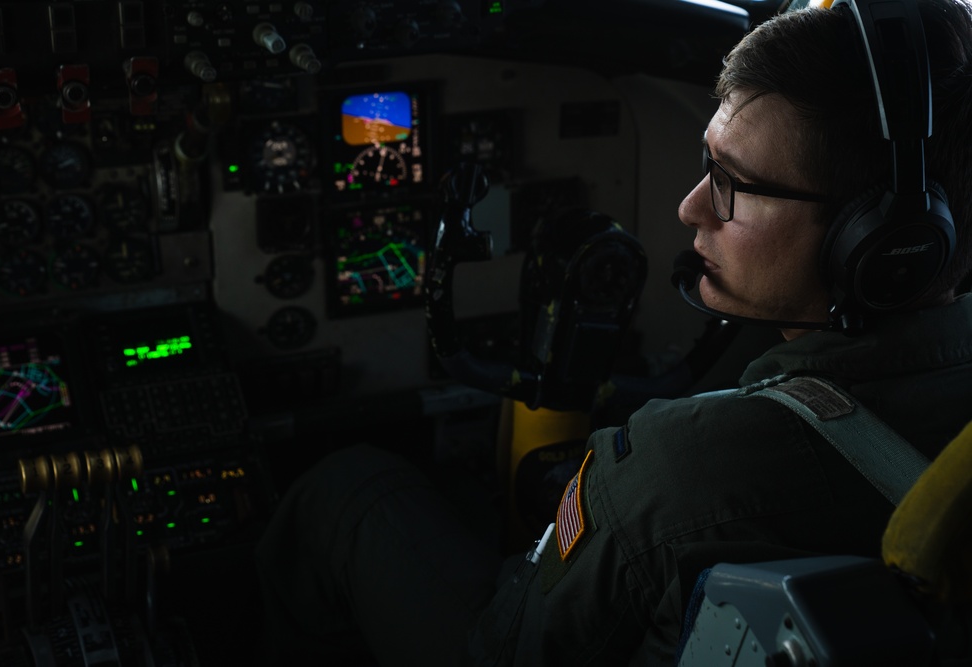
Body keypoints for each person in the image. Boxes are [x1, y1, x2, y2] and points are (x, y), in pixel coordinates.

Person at [254, 0, 972, 663]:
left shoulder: (678, 471)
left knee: (345, 490)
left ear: (881, 244)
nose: (691, 208)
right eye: (704, 165)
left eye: (731, 182)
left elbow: (510, 645)